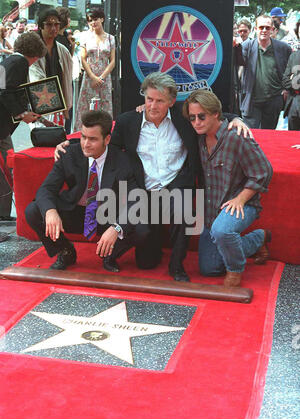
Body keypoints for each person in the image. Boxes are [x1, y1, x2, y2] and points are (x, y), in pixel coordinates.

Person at [55, 72, 252, 281]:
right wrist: (72, 145)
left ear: (172, 101)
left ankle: (177, 266)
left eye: (160, 101)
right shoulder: (128, 122)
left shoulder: (183, 119)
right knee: (146, 263)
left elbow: (214, 116)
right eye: (149, 99)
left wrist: (237, 120)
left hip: (174, 186)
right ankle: (136, 247)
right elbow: (106, 144)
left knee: (182, 206)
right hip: (143, 192)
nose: (153, 106)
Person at [25, 110, 149, 272]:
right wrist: (50, 211)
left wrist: (117, 228)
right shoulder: (69, 154)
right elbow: (46, 189)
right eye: (83, 137)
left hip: (107, 216)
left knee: (142, 227)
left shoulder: (122, 161)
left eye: (93, 139)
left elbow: (136, 200)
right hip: (75, 212)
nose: (86, 144)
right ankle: (65, 251)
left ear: (107, 139)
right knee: (34, 210)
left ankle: (110, 255)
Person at [182, 89, 273, 287]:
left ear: (215, 113)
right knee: (210, 268)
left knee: (222, 231)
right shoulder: (198, 136)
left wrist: (241, 198)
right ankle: (258, 239)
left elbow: (264, 171)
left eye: (201, 116)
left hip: (241, 205)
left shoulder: (236, 136)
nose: (196, 121)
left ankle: (235, 270)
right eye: (192, 117)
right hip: (211, 210)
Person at [0, 32, 47, 224]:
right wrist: (23, 113)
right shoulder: (19, 63)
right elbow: (6, 92)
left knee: (5, 164)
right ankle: (2, 213)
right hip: (2, 125)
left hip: (3, 126)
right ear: (35, 53)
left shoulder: (10, 60)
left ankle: (3, 212)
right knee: (5, 167)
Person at [236, 14, 292, 129]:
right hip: (252, 101)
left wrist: (286, 89)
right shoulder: (246, 46)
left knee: (269, 136)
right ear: (255, 29)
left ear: (272, 29)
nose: (264, 30)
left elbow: (289, 69)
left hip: (274, 100)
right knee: (250, 136)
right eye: (261, 27)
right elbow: (236, 63)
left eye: (267, 27)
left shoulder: (283, 48)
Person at [29, 8, 73, 127]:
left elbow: (68, 77)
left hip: (60, 104)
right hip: (40, 101)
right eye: (49, 24)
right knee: (42, 138)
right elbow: (34, 78)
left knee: (59, 138)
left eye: (56, 24)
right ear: (41, 26)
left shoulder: (63, 50)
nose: (53, 28)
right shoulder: (32, 48)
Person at [73, 7, 115, 131]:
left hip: (104, 78)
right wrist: (92, 77)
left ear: (102, 19)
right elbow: (83, 58)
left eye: (95, 19)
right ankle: (80, 135)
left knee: (105, 106)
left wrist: (101, 78)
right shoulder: (85, 37)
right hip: (89, 78)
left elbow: (112, 61)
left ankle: (105, 134)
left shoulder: (110, 38)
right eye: (90, 20)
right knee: (85, 106)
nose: (93, 23)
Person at [282, 49, 300, 130]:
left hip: (294, 94)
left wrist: (294, 78)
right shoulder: (294, 55)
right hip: (293, 101)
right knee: (292, 139)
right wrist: (295, 82)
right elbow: (285, 81)